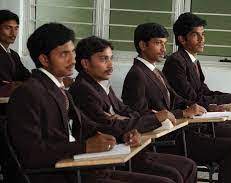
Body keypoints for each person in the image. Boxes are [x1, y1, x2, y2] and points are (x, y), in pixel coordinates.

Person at [7, 22, 176, 183]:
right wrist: (84, 147)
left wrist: (125, 133)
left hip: (80, 170)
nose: (73, 60)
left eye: (72, 52)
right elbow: (31, 154)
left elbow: (89, 126)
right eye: (64, 54)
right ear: (44, 59)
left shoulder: (59, 89)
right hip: (59, 176)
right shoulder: (28, 93)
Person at [122, 22, 231, 183]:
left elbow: (177, 99)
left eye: (164, 43)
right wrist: (182, 113)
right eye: (157, 43)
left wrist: (206, 107)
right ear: (142, 45)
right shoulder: (137, 75)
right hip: (166, 140)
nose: (163, 49)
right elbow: (140, 115)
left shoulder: (155, 71)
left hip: (180, 132)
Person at [69, 36, 197, 183]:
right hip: (107, 159)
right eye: (104, 59)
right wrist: (153, 118)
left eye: (111, 59)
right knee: (172, 177)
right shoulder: (83, 89)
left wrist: (127, 123)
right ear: (85, 63)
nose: (111, 65)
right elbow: (108, 126)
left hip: (128, 146)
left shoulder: (101, 83)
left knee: (188, 166)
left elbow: (127, 111)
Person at [162, 12, 231, 183]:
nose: (202, 39)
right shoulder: (175, 62)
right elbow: (194, 99)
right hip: (192, 128)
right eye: (195, 35)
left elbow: (205, 93)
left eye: (203, 34)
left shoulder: (193, 62)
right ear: (182, 39)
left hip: (205, 121)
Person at [0, 9, 30, 96]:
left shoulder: (13, 55)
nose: (13, 33)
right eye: (8, 28)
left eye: (16, 28)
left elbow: (26, 76)